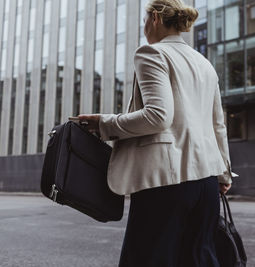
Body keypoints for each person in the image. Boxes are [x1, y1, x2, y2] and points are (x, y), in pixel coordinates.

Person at [78, 0, 237, 266]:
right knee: (197, 259)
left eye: (144, 21)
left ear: (154, 18)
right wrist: (224, 173)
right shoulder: (204, 63)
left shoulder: (151, 53)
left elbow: (158, 116)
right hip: (207, 182)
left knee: (149, 259)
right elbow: (217, 124)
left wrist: (103, 124)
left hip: (165, 180)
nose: (144, 28)